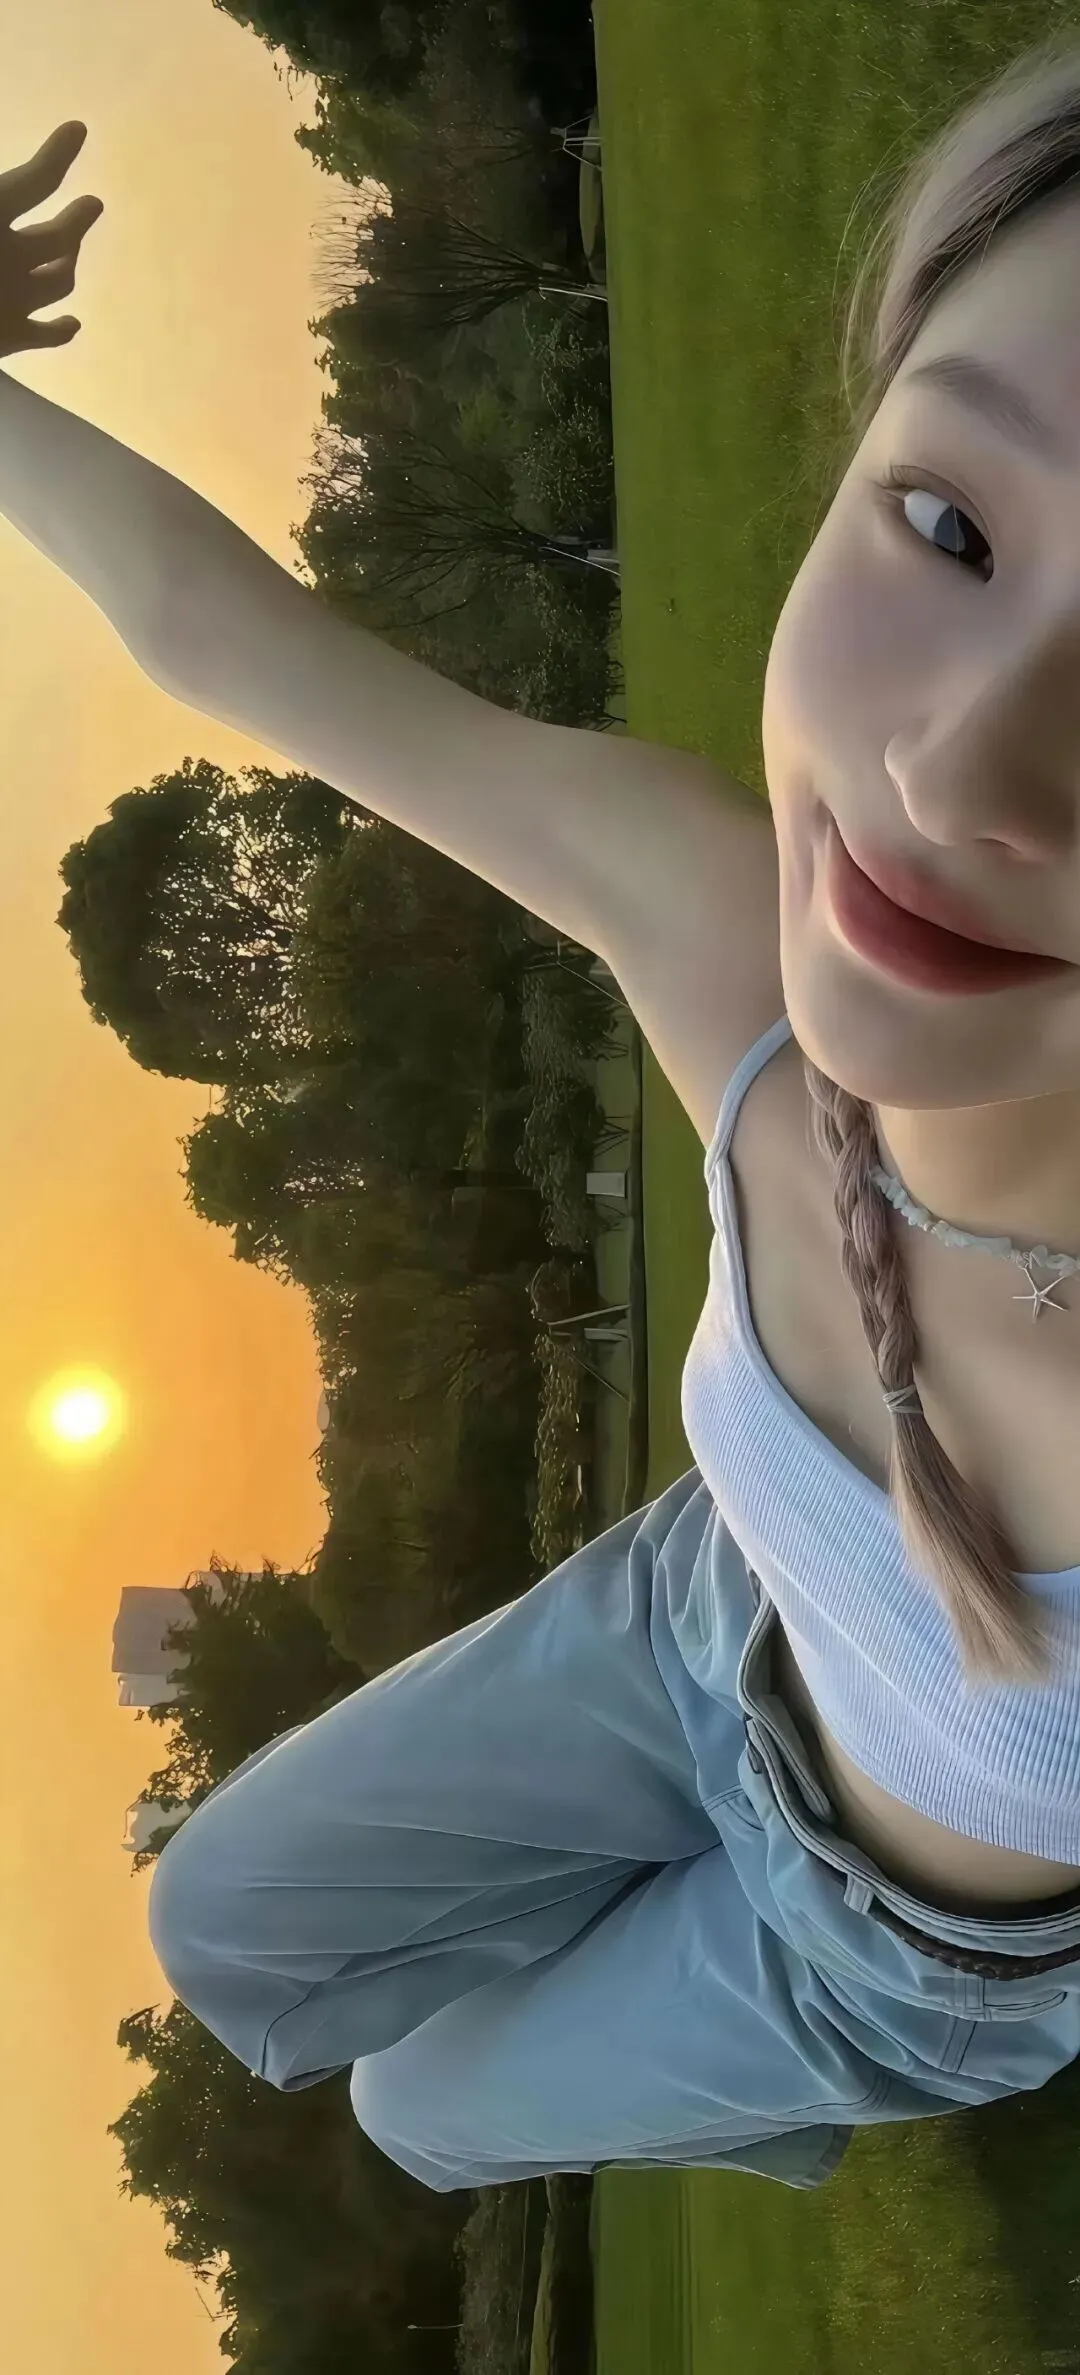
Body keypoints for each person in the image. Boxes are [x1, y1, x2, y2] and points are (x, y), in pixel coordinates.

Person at [8, 35, 1080, 2194]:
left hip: (895, 1946)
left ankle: (745, 2048)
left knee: (416, 2107)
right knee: (219, 1923)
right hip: (709, 1609)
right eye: (951, 522)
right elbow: (234, 640)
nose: (953, 771)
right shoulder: (729, 945)